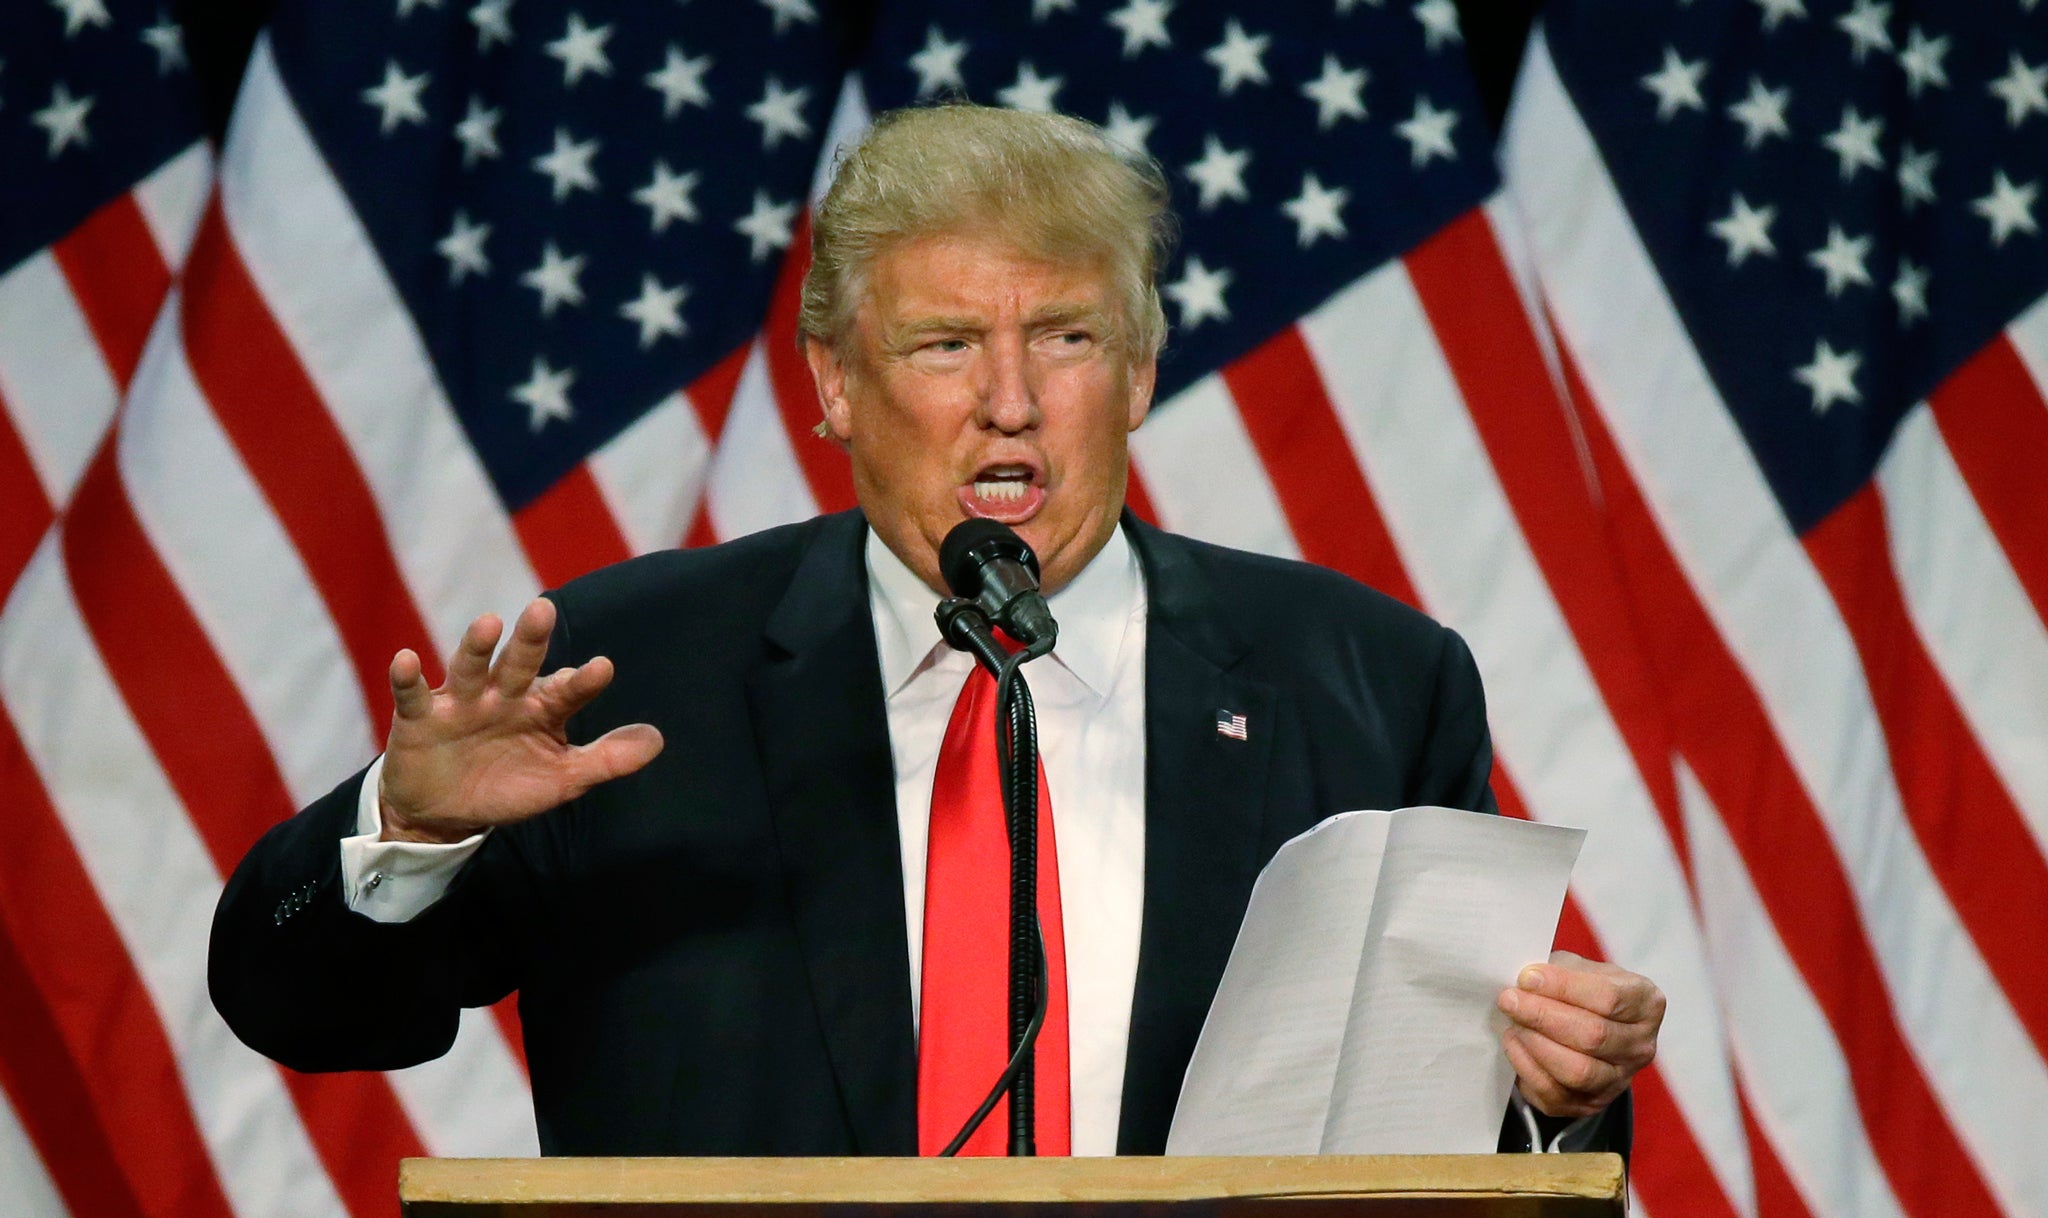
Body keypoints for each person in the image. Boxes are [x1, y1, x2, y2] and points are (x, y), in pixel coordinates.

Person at [210, 105, 1661, 1158]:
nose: (1011, 399)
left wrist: (1556, 1089)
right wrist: (407, 830)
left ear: (1144, 371)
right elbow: (309, 1013)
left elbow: (1472, 1139)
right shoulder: (631, 671)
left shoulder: (1362, 681)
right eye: (946, 344)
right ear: (835, 384)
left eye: (1070, 338)